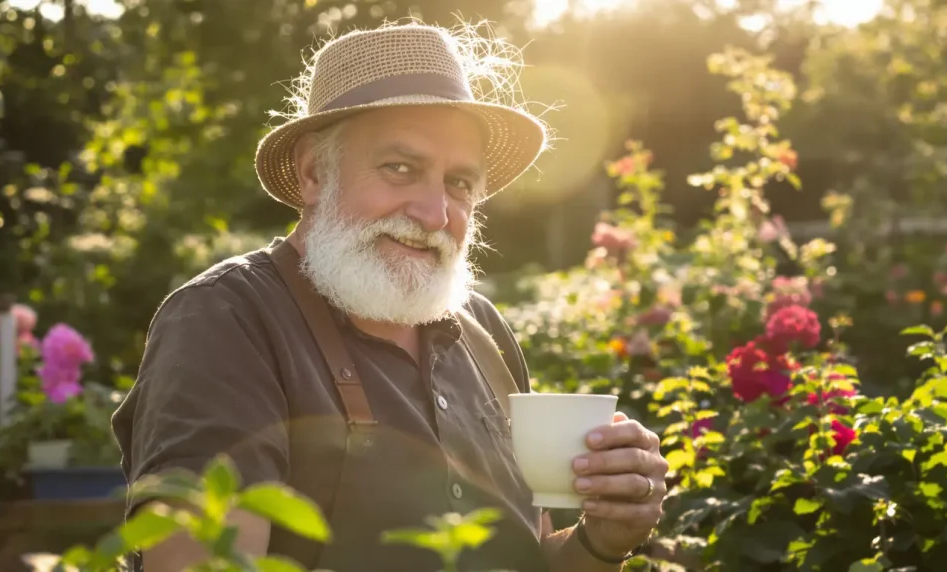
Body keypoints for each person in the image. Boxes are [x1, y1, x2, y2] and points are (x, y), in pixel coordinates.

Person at [112, 21, 669, 572]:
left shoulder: (479, 329)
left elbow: (530, 553)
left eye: (460, 183)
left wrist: (602, 541)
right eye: (400, 168)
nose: (435, 214)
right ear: (312, 173)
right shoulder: (227, 320)